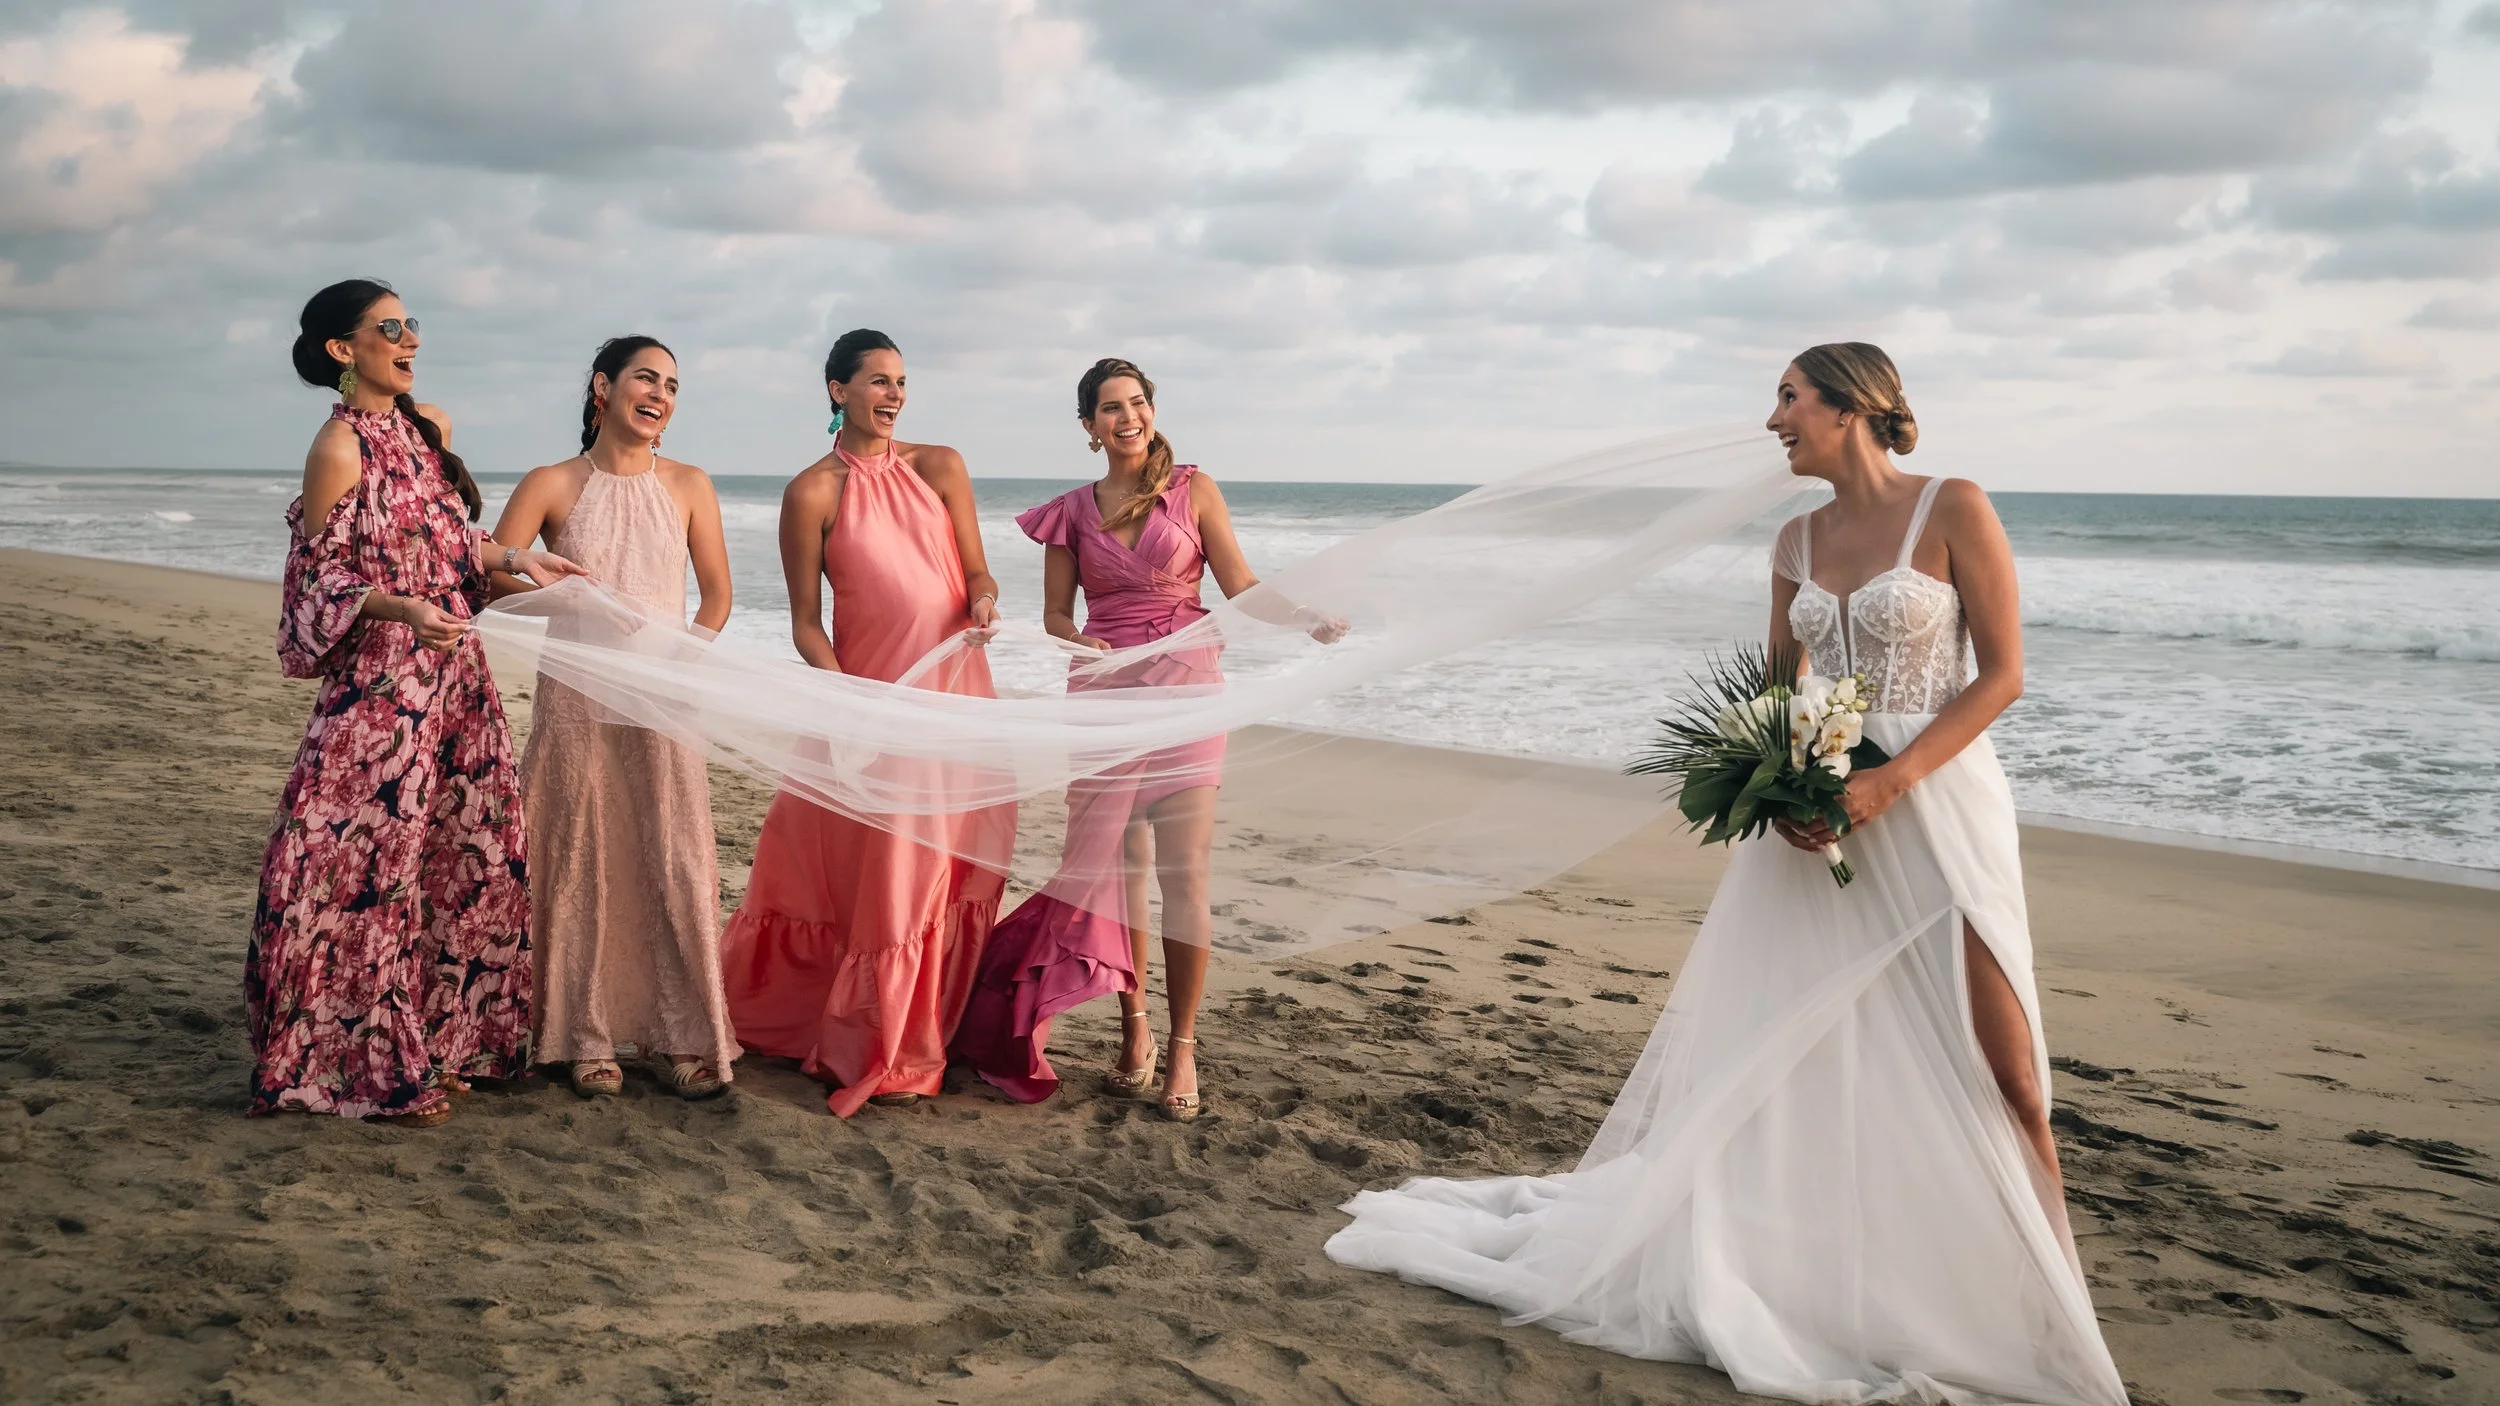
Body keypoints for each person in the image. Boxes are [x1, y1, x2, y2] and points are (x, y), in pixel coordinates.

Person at [1323, 344, 2127, 1405]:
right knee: (1801, 1059)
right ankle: (1832, 1281)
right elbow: (1775, 691)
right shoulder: (1793, 538)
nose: (1771, 421)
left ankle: (2054, 1310)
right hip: (1814, 821)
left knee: (2006, 1068)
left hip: (1937, 807)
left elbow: (2003, 675)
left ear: (1851, 407)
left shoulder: (1953, 504)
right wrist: (1779, 788)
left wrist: (1892, 785)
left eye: (1788, 399)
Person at [952, 357, 1342, 1121]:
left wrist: (1308, 619)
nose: (1125, 417)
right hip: (1103, 694)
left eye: (1136, 403)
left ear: (1151, 410)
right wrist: (1078, 646)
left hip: (1189, 688)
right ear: (1089, 427)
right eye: (1108, 408)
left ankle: (1185, 1045)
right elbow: (1058, 615)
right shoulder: (1069, 512)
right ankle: (1135, 1032)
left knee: (1184, 875)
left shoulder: (1193, 489)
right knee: (1116, 869)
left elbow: (1241, 585)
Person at [248, 278, 585, 1126]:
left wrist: (516, 556)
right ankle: (355, 1062)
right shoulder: (337, 446)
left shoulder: (420, 427)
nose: (410, 340)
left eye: (411, 325)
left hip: (455, 682)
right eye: (390, 328)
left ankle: (435, 1040)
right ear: (342, 348)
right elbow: (318, 576)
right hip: (381, 692)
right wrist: (402, 608)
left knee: (455, 860)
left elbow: (439, 537)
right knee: (358, 873)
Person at [719, 330, 1014, 1116]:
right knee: (886, 878)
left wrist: (983, 600)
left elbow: (976, 570)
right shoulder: (812, 491)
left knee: (945, 867)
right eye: (877, 382)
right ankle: (879, 1043)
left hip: (955, 700)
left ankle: (929, 1034)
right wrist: (850, 703)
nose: (892, 396)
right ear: (835, 390)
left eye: (901, 383)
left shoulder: (940, 466)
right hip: (868, 710)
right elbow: (806, 624)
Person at [491, 335, 738, 1100]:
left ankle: (681, 1036)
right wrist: (558, 592)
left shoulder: (691, 484)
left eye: (671, 383)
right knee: (579, 857)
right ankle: (581, 1034)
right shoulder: (552, 482)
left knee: (673, 856)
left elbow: (718, 597)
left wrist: (683, 661)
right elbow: (492, 579)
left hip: (663, 699)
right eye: (644, 377)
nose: (659, 393)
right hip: (575, 702)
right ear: (603, 387)